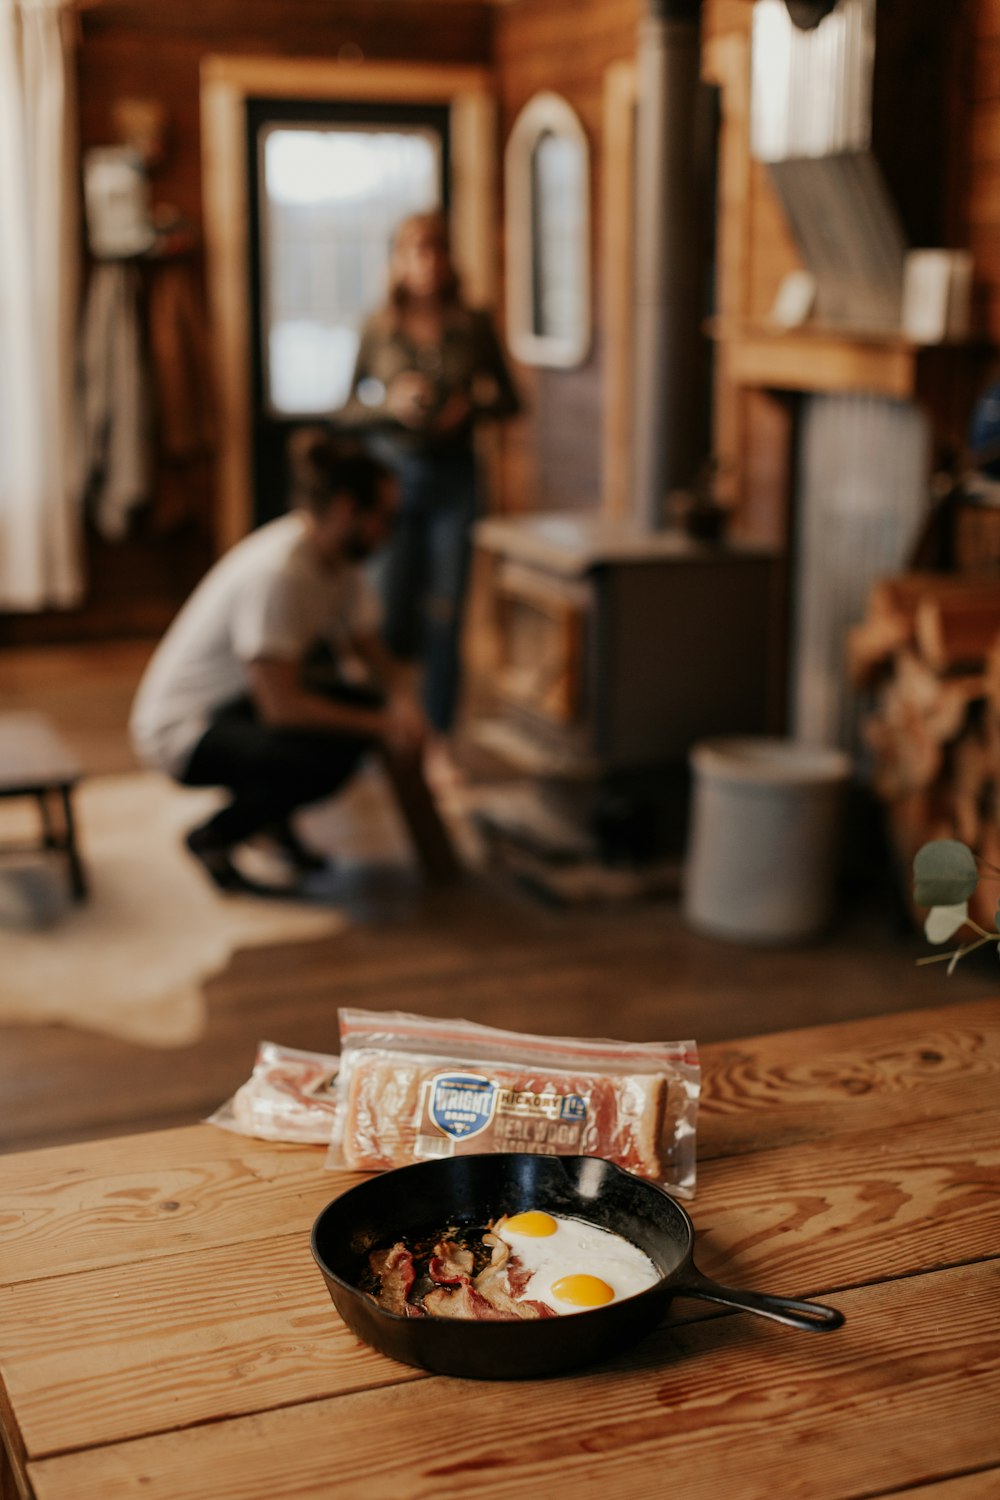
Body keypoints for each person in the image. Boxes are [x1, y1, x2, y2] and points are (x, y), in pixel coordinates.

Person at [129, 429, 427, 893]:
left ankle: (273, 826)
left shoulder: (338, 562)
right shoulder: (281, 574)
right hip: (186, 732)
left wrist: (402, 702)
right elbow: (282, 709)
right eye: (384, 518)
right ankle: (214, 837)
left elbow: (368, 652)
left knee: (356, 711)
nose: (390, 532)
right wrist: (383, 726)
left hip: (240, 707)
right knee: (324, 757)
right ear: (348, 509)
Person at [337, 210, 520, 753]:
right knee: (386, 613)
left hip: (455, 479)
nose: (426, 262)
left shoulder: (473, 323)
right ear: (398, 260)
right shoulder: (379, 325)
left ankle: (439, 739)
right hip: (392, 481)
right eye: (414, 251)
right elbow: (346, 410)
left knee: (446, 612)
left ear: (448, 259)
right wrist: (390, 406)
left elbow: (509, 400)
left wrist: (469, 406)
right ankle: (384, 732)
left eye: (435, 250)